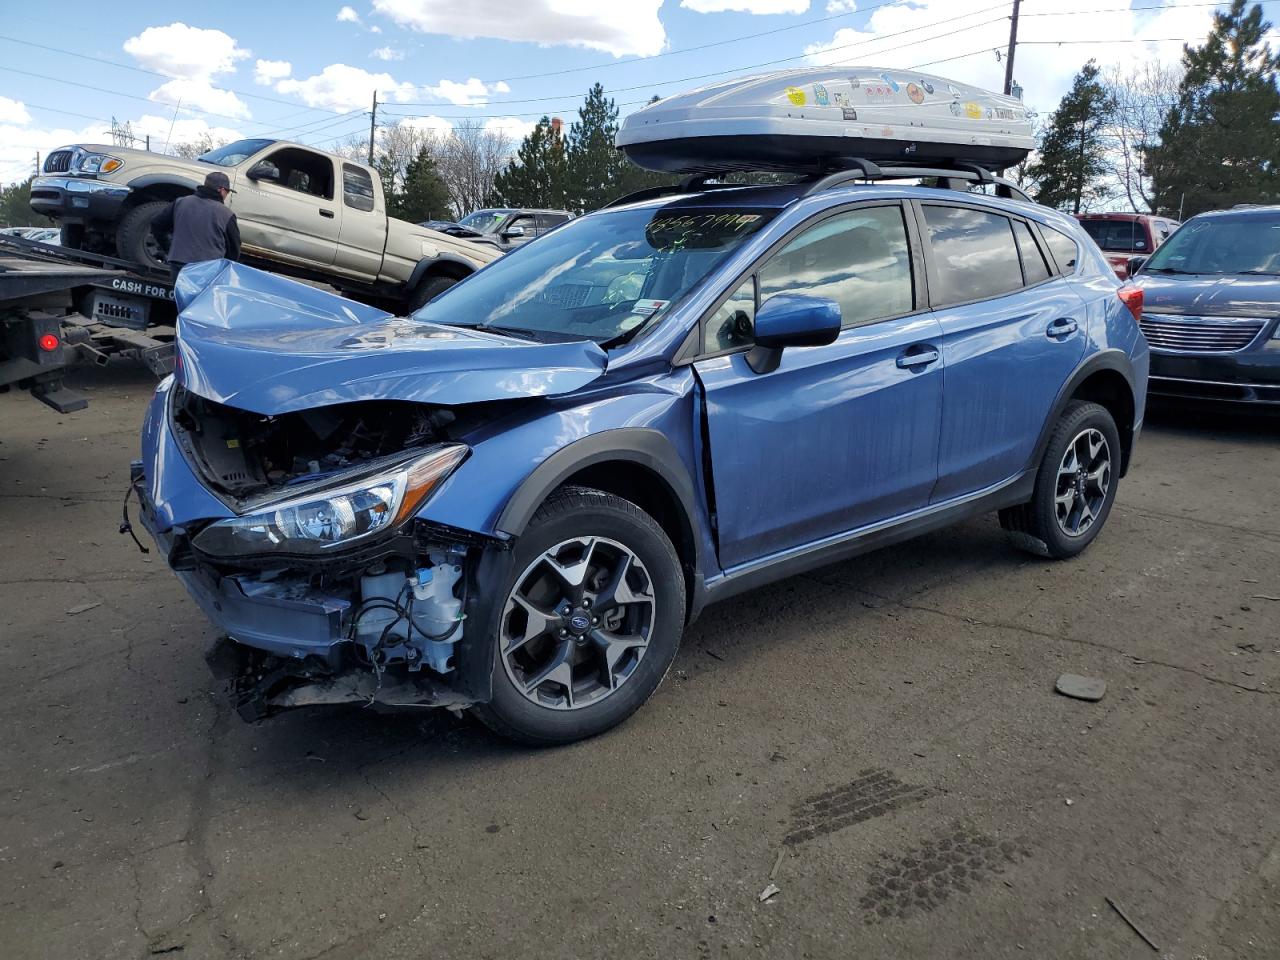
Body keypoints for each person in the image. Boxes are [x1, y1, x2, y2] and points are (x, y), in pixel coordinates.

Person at [153, 171, 241, 284]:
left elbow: (157, 225)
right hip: (207, 268)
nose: (226, 195)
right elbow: (234, 248)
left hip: (178, 262)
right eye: (227, 192)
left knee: (180, 299)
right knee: (199, 301)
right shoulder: (226, 214)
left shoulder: (181, 202)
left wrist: (169, 248)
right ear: (221, 190)